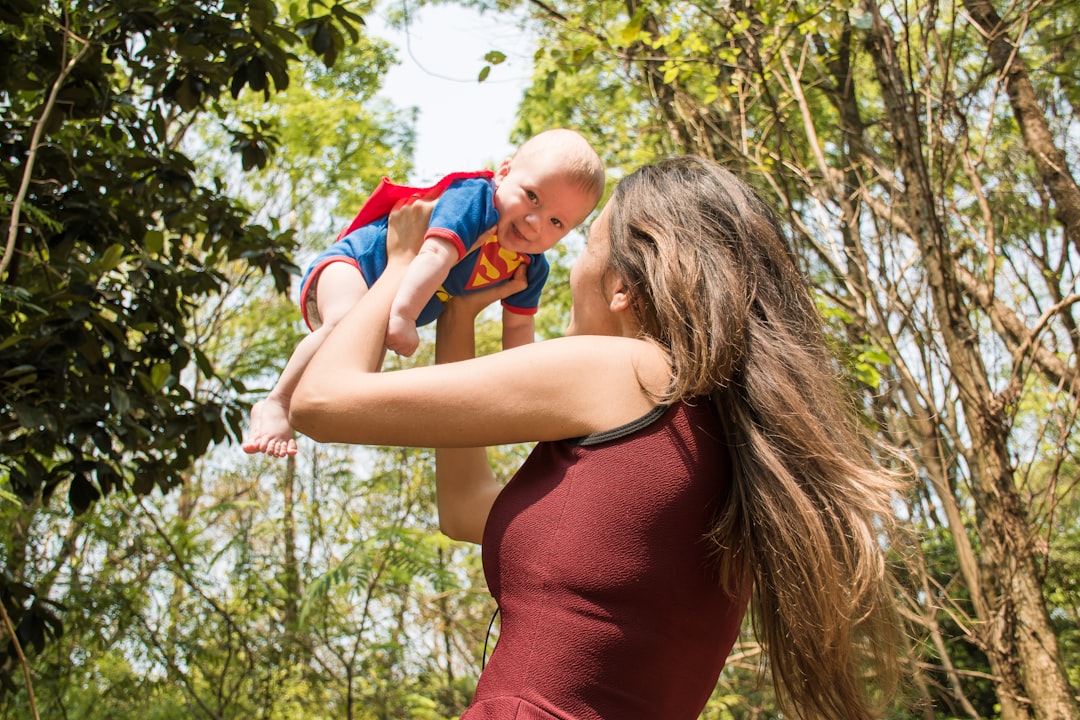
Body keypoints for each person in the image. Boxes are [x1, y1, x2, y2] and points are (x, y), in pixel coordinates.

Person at [289, 156, 908, 719]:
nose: (568, 267)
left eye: (584, 244)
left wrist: (400, 263)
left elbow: (321, 402)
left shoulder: (629, 371)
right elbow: (465, 508)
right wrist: (460, 315)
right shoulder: (716, 436)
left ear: (623, 288)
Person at [243, 128, 605, 457]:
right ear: (504, 173)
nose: (534, 222)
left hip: (388, 300)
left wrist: (529, 391)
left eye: (556, 222)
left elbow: (519, 332)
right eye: (532, 197)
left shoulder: (529, 267)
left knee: (358, 372)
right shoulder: (475, 201)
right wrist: (403, 315)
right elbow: (434, 254)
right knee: (342, 322)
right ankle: (277, 401)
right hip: (357, 264)